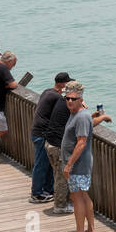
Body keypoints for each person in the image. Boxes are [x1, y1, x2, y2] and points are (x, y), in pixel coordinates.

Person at [60, 81, 111, 232]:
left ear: (81, 99)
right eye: (67, 98)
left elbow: (81, 142)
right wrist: (100, 117)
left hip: (77, 165)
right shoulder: (80, 114)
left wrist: (69, 165)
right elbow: (88, 125)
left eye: (73, 99)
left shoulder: (80, 116)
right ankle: (91, 229)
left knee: (77, 198)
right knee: (83, 195)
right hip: (80, 164)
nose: (69, 101)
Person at [29, 71, 70, 203]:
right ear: (62, 84)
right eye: (67, 84)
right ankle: (36, 194)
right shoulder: (57, 98)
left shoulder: (47, 91)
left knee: (46, 164)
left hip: (38, 132)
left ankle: (47, 190)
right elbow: (63, 111)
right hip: (42, 134)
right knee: (41, 164)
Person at [43, 84, 74, 214]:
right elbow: (84, 122)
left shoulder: (61, 101)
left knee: (58, 175)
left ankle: (63, 202)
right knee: (61, 177)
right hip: (57, 146)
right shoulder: (68, 106)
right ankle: (60, 206)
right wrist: (101, 118)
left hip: (49, 143)